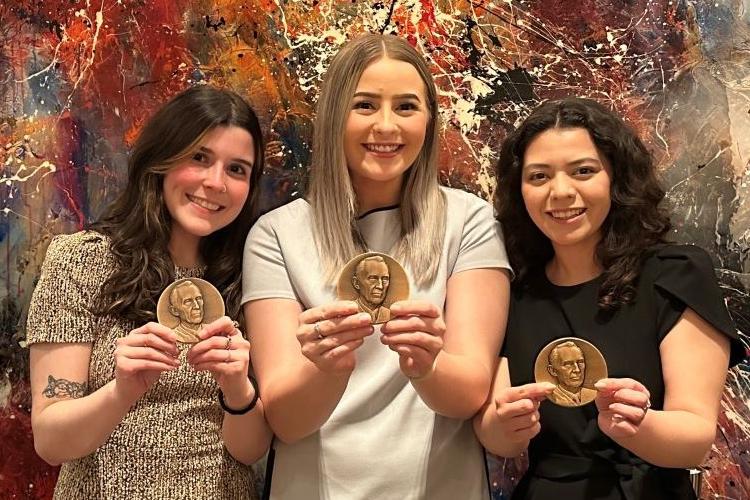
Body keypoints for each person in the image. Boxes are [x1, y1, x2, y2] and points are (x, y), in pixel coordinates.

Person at [242, 33, 512, 499]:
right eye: (364, 105)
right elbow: (285, 421)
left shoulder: (469, 220)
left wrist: (427, 364)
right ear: (333, 117)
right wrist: (328, 367)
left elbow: (468, 392)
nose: (386, 126)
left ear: (429, 120)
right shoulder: (276, 234)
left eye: (406, 107)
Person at [474, 97, 746, 500]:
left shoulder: (675, 275)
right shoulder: (509, 289)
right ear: (520, 189)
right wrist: (506, 425)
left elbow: (694, 437)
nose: (561, 192)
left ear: (616, 178)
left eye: (583, 171)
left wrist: (637, 425)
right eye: (539, 177)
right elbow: (498, 437)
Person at [26, 86, 273, 499]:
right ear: (161, 159)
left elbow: (249, 451)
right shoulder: (80, 262)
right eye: (199, 158)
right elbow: (51, 443)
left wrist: (237, 389)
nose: (215, 183)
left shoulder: (253, 273)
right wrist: (121, 391)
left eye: (237, 169)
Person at [546, 340, 597, 406]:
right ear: (553, 370)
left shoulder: (594, 394)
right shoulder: (551, 397)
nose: (577, 370)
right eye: (568, 364)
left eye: (580, 362)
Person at [352, 254, 391, 323]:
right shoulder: (350, 311)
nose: (380, 286)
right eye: (373, 278)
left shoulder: (390, 314)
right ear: (356, 283)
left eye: (385, 279)